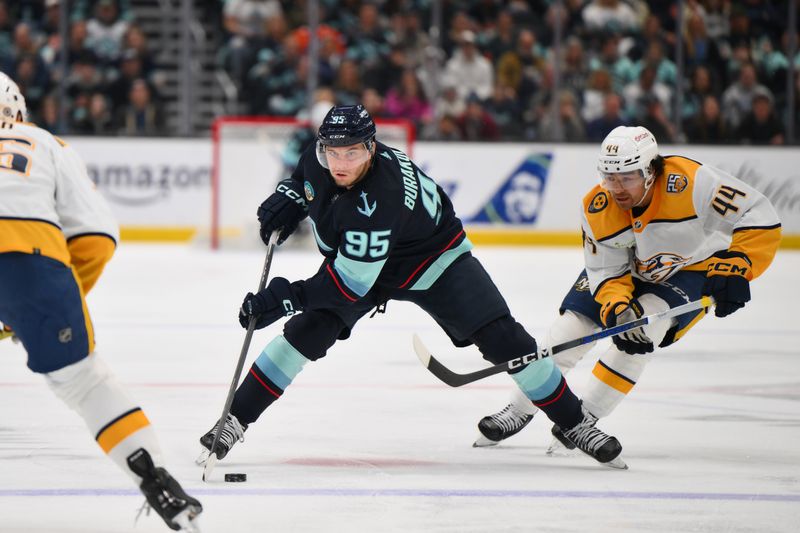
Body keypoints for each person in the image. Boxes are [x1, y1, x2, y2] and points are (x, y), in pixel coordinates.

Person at [198, 104, 625, 467]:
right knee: (307, 333)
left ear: (370, 147)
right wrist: (293, 197)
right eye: (332, 152)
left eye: (351, 153)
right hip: (366, 260)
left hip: (433, 259)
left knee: (504, 338)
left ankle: (574, 421)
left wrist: (286, 296)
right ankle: (233, 419)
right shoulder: (318, 158)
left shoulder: (379, 197)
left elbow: (348, 284)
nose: (340, 163)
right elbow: (308, 183)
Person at [473, 125, 781, 450]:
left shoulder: (691, 183)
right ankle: (518, 408)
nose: (616, 188)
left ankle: (584, 418)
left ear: (650, 171)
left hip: (692, 268)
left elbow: (756, 212)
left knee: (644, 332)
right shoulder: (597, 206)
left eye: (627, 177)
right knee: (568, 331)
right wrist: (618, 306)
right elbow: (606, 270)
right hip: (628, 269)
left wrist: (739, 264)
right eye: (609, 177)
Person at [0, 73, 202, 531]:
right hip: (28, 267)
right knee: (84, 384)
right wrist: (45, 304)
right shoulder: (41, 142)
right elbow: (96, 238)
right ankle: (156, 481)